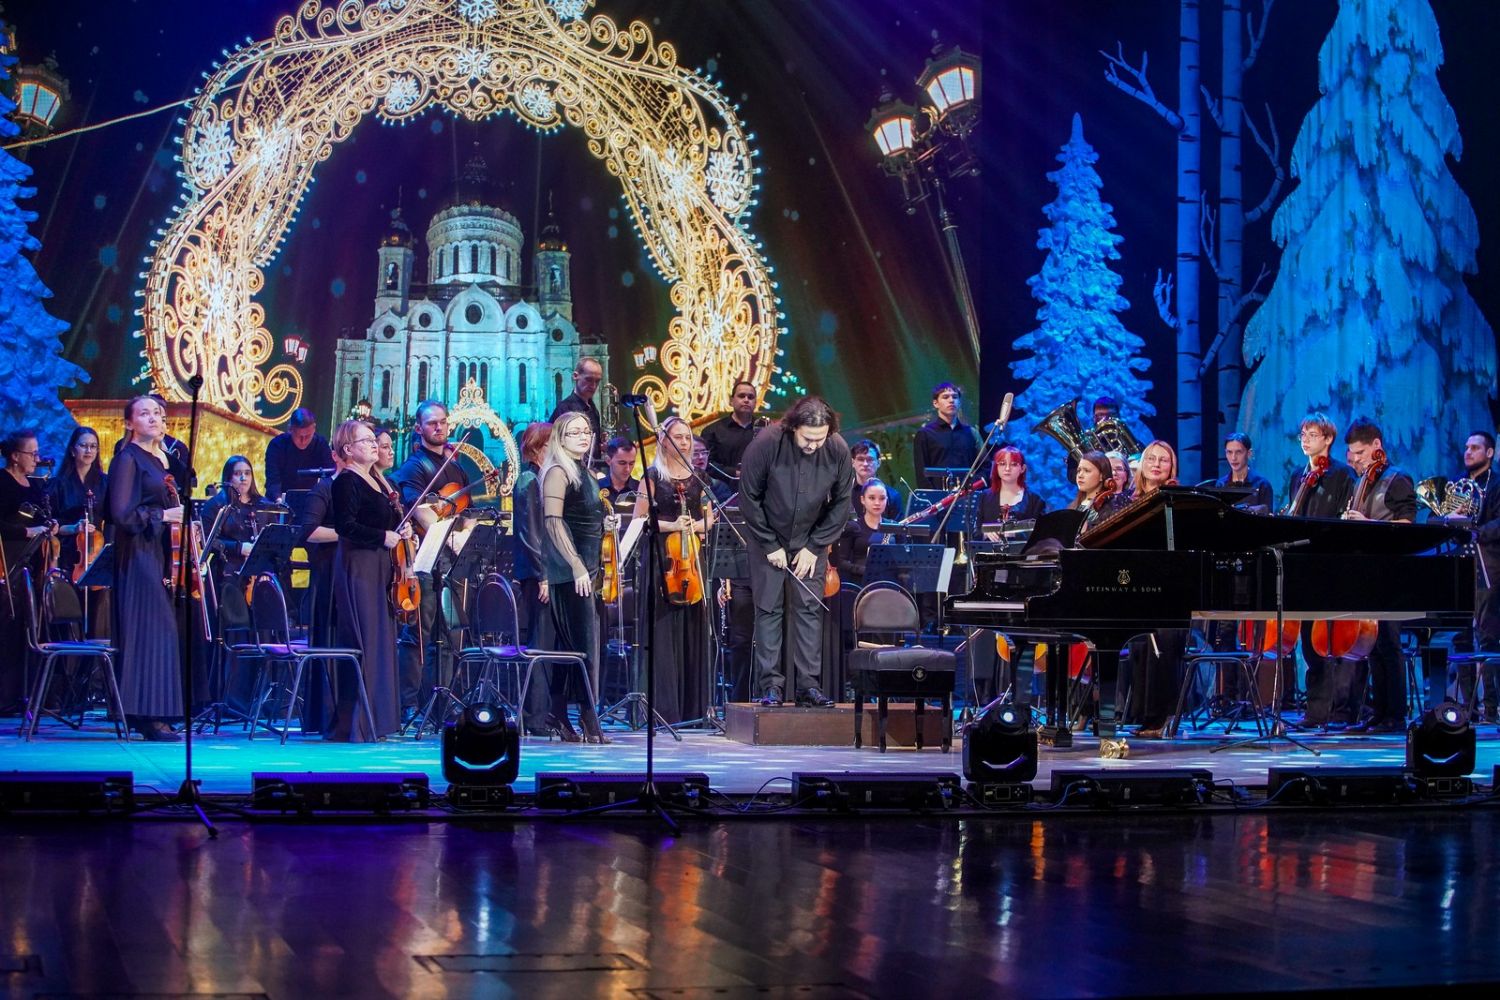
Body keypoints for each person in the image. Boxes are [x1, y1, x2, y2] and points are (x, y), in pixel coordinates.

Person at [739, 395, 853, 706]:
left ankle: (808, 686)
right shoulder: (767, 443)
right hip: (768, 538)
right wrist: (769, 543)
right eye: (807, 438)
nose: (814, 445)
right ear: (793, 428)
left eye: (820, 439)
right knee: (768, 610)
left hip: (810, 542)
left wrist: (815, 546)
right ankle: (771, 686)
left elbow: (842, 502)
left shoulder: (838, 448)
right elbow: (749, 496)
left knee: (808, 610)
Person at [105, 397, 185, 741]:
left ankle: (153, 713)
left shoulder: (158, 459)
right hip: (137, 553)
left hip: (155, 551)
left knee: (160, 630)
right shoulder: (127, 459)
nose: (154, 418)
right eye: (144, 413)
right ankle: (148, 715)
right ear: (129, 423)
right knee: (151, 630)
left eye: (157, 413)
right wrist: (164, 515)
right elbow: (122, 513)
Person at [328, 419, 410, 741]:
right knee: (365, 640)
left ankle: (379, 720)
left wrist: (399, 529)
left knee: (381, 640)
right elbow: (345, 527)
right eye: (366, 441)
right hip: (359, 566)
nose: (374, 444)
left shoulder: (377, 481)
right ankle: (358, 724)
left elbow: (384, 523)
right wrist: (382, 536)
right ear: (348, 449)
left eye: (373, 439)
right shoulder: (346, 481)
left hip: (380, 565)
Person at [632, 416, 714, 725]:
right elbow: (640, 520)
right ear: (664, 441)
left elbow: (709, 519)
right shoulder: (652, 476)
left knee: (693, 629)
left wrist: (696, 525)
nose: (684, 442)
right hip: (662, 562)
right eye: (678, 437)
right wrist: (672, 525)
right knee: (663, 630)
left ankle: (693, 710)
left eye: (687, 437)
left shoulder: (699, 478)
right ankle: (663, 709)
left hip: (691, 561)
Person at [393, 399, 469, 721]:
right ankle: (409, 702)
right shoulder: (414, 467)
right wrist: (448, 535)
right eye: (432, 423)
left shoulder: (456, 466)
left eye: (443, 421)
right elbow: (419, 510)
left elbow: (466, 511)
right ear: (419, 428)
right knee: (419, 633)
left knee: (451, 633)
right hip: (424, 560)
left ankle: (444, 699)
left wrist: (464, 535)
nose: (439, 427)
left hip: (451, 561)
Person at [540, 411, 614, 742]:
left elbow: (583, 516)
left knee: (572, 647)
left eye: (587, 431)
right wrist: (575, 564)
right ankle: (588, 717)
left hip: (588, 569)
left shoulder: (585, 472)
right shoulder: (558, 471)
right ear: (560, 437)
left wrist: (604, 523)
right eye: (575, 432)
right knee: (584, 646)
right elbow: (553, 522)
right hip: (571, 572)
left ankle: (557, 713)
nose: (584, 436)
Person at [1339, 418, 1416, 733]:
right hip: (1367, 572)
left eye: (1360, 453)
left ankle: (1395, 714)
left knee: (1389, 643)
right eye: (1352, 454)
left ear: (1377, 446)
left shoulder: (1397, 478)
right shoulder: (1361, 481)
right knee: (1371, 644)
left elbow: (1408, 526)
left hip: (1391, 572)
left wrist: (1368, 524)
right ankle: (1378, 711)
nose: (1356, 459)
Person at [1285, 413, 1357, 727]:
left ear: (1328, 439)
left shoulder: (1342, 474)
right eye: (1303, 434)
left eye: (1312, 434)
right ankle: (1315, 711)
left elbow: (1344, 518)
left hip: (1331, 564)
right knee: (1310, 643)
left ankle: (1340, 710)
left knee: (1335, 643)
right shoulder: (1298, 476)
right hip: (1304, 567)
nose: (1305, 440)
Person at [1123, 441, 1187, 738]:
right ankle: (1143, 715)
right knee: (1138, 643)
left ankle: (1161, 716)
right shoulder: (1127, 500)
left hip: (1169, 585)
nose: (1157, 464)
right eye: (1151, 458)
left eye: (1164, 460)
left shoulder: (1176, 500)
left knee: (1164, 640)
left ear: (1171, 467)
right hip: (1136, 585)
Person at [1, 428, 58, 712]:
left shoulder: (35, 485)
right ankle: (5, 696)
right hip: (8, 561)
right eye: (31, 453)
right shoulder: (2, 482)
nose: (37, 458)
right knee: (8, 626)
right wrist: (26, 531)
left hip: (33, 563)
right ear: (14, 456)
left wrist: (51, 525)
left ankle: (30, 694)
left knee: (31, 625)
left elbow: (43, 518)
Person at [1449, 431, 1500, 721]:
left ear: (1489, 453)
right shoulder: (1459, 483)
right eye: (1467, 447)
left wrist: (1474, 529)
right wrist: (1450, 519)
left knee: (1488, 637)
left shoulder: (1497, 484)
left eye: (1475, 447)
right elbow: (1444, 519)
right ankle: (1468, 709)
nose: (1468, 452)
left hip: (1489, 567)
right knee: (1460, 638)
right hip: (1462, 566)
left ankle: (1492, 708)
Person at [513, 422, 556, 735]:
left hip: (547, 572)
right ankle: (535, 718)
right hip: (537, 574)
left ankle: (544, 714)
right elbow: (530, 534)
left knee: (548, 645)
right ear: (540, 447)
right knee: (540, 645)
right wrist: (543, 574)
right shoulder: (529, 480)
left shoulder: (544, 477)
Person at [913, 382, 981, 489]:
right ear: (935, 403)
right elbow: (921, 473)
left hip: (967, 494)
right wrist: (933, 496)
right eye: (945, 397)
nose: (951, 400)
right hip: (938, 497)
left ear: (959, 402)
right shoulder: (925, 434)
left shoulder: (971, 433)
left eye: (955, 397)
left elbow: (984, 465)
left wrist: (973, 486)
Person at [700, 380, 765, 488]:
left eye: (750, 397)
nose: (746, 400)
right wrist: (734, 472)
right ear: (731, 401)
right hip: (722, 491)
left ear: (755, 403)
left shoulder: (766, 430)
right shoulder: (712, 431)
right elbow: (706, 464)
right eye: (741, 396)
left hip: (759, 490)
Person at [263, 407, 335, 502]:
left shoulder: (321, 445)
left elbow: (331, 474)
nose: (303, 441)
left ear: (314, 428)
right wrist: (280, 501)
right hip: (279, 500)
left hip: (310, 500)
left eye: (308, 436)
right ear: (290, 429)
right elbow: (273, 481)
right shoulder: (276, 446)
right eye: (299, 436)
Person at [978, 445, 1047, 536]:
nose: (1007, 469)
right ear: (996, 468)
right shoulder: (984, 497)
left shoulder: (1035, 500)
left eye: (1013, 464)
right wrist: (986, 534)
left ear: (1022, 468)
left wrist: (1016, 534)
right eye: (1002, 464)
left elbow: (1042, 533)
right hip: (989, 545)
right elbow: (974, 532)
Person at [549, 357, 606, 463]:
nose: (593, 386)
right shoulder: (565, 408)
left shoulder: (593, 409)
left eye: (597, 381)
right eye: (589, 379)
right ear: (575, 376)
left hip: (591, 468)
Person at [1214, 432, 1274, 513]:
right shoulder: (1221, 484)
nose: (1233, 458)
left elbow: (1268, 517)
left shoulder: (1262, 484)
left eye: (1238, 452)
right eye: (1229, 452)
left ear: (1249, 453)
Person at [850, 439, 903, 519]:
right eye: (860, 459)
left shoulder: (893, 496)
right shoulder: (843, 495)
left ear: (878, 463)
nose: (865, 464)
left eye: (870, 459)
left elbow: (898, 526)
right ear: (853, 462)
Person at [596, 436, 640, 512]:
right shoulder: (596, 488)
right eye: (622, 463)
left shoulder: (640, 490)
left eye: (631, 463)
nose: (627, 469)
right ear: (608, 460)